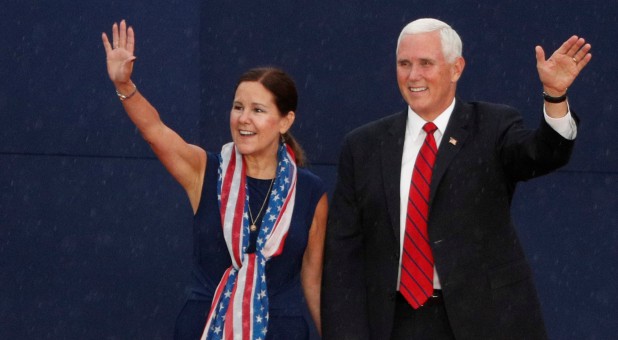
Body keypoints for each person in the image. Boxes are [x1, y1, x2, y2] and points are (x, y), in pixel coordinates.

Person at [321, 18, 591, 339]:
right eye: (404, 64)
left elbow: (543, 154)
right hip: (396, 321)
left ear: (456, 68)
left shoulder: (492, 126)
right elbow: (343, 257)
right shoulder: (363, 145)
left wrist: (555, 97)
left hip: (485, 320)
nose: (413, 75)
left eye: (426, 63)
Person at [102, 20, 328, 339]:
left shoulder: (309, 191)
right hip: (204, 326)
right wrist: (125, 86)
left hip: (281, 330)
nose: (243, 119)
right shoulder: (204, 170)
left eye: (258, 110)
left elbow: (313, 280)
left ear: (285, 120)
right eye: (238, 107)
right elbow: (155, 131)